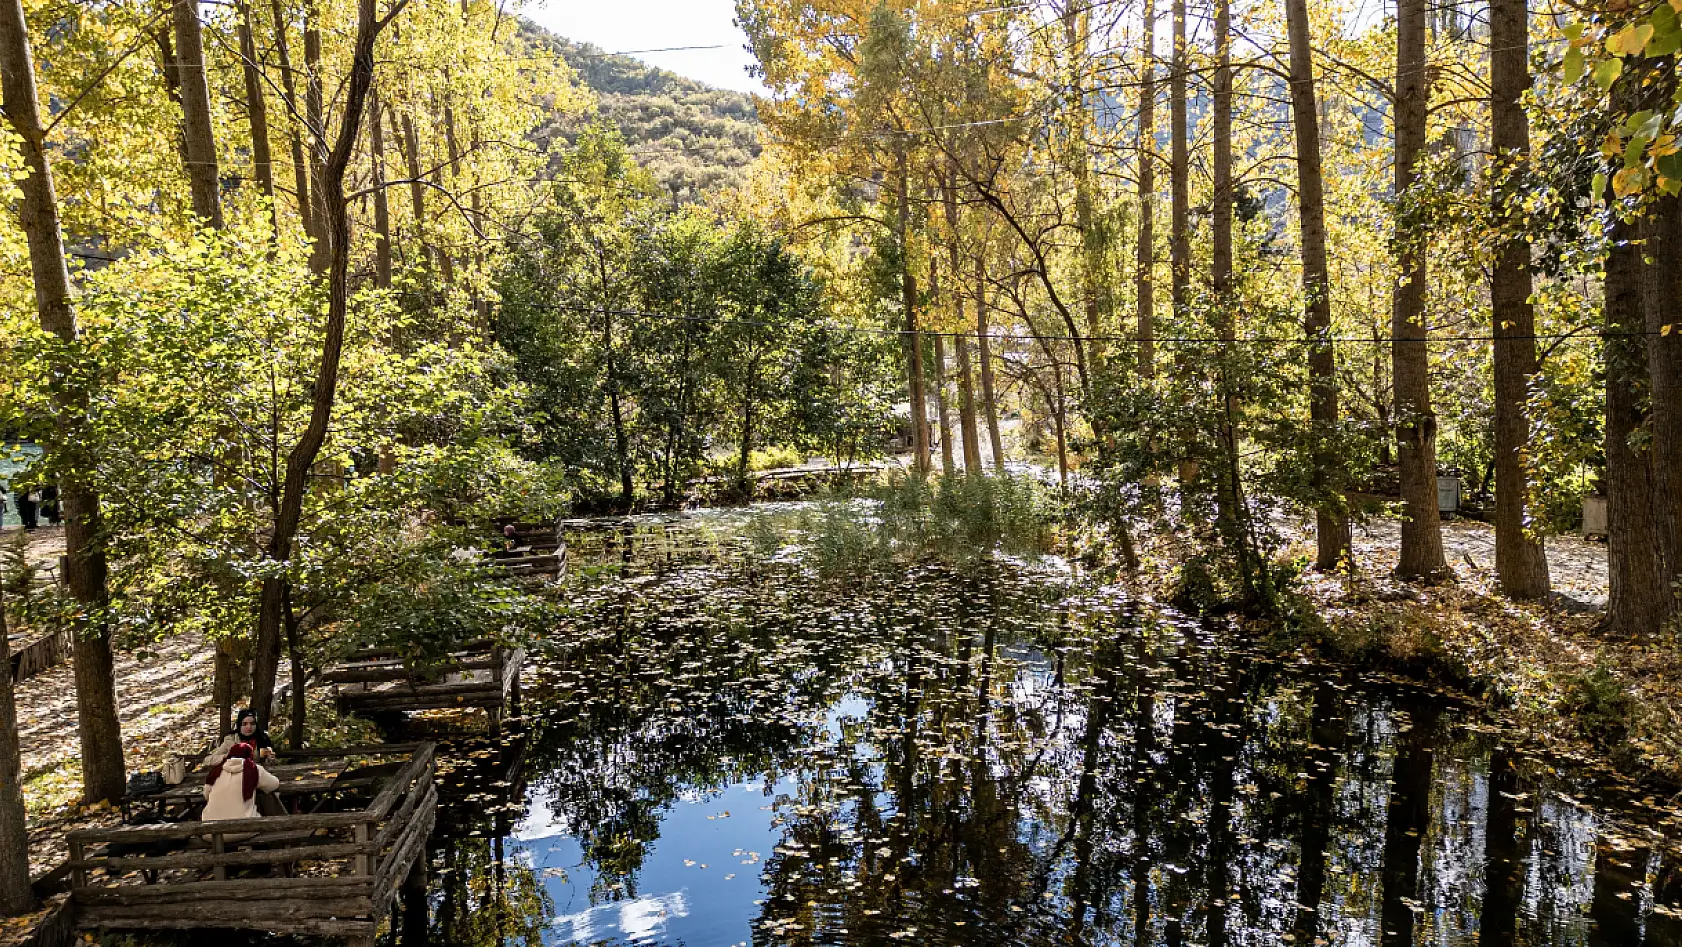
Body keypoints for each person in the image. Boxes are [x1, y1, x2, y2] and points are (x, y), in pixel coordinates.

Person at [201, 742, 279, 821]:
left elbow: (206, 794)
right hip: (245, 828)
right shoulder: (254, 769)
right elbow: (274, 784)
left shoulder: (217, 770)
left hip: (211, 827)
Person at [206, 708, 276, 767]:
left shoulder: (261, 739)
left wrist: (270, 759)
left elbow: (265, 761)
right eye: (244, 724)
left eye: (252, 723)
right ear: (239, 725)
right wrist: (228, 756)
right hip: (235, 776)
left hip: (256, 775)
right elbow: (209, 760)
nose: (249, 727)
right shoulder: (230, 740)